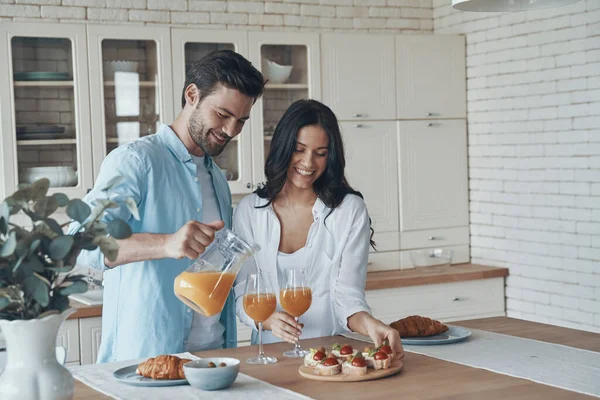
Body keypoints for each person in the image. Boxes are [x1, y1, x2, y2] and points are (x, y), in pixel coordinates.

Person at [74, 50, 264, 363]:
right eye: (223, 115)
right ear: (192, 95)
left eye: (241, 120)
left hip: (214, 358)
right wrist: (166, 243)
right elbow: (82, 242)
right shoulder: (136, 161)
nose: (231, 130)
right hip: (149, 362)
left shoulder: (217, 178)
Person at [233, 99, 404, 360]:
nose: (308, 162)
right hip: (267, 355)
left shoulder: (349, 211)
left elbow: (347, 297)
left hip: (329, 354)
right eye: (299, 149)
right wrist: (267, 319)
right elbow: (243, 292)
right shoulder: (250, 211)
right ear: (283, 148)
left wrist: (371, 324)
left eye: (320, 153)